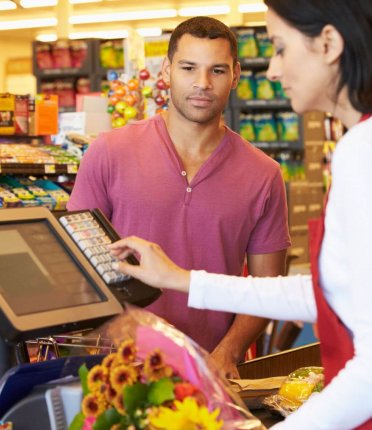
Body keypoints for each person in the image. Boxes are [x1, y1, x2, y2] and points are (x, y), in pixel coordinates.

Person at [109, 1, 372, 429]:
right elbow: (331, 292)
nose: (270, 69)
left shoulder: (361, 152)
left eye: (280, 48)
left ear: (328, 44)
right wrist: (179, 278)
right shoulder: (358, 143)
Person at [67, 16, 291, 377]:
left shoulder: (264, 174)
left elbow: (268, 290)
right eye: (189, 68)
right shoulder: (108, 153)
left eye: (217, 70)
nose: (202, 84)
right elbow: (76, 263)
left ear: (235, 75)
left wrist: (227, 353)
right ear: (167, 70)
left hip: (213, 372)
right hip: (119, 370)